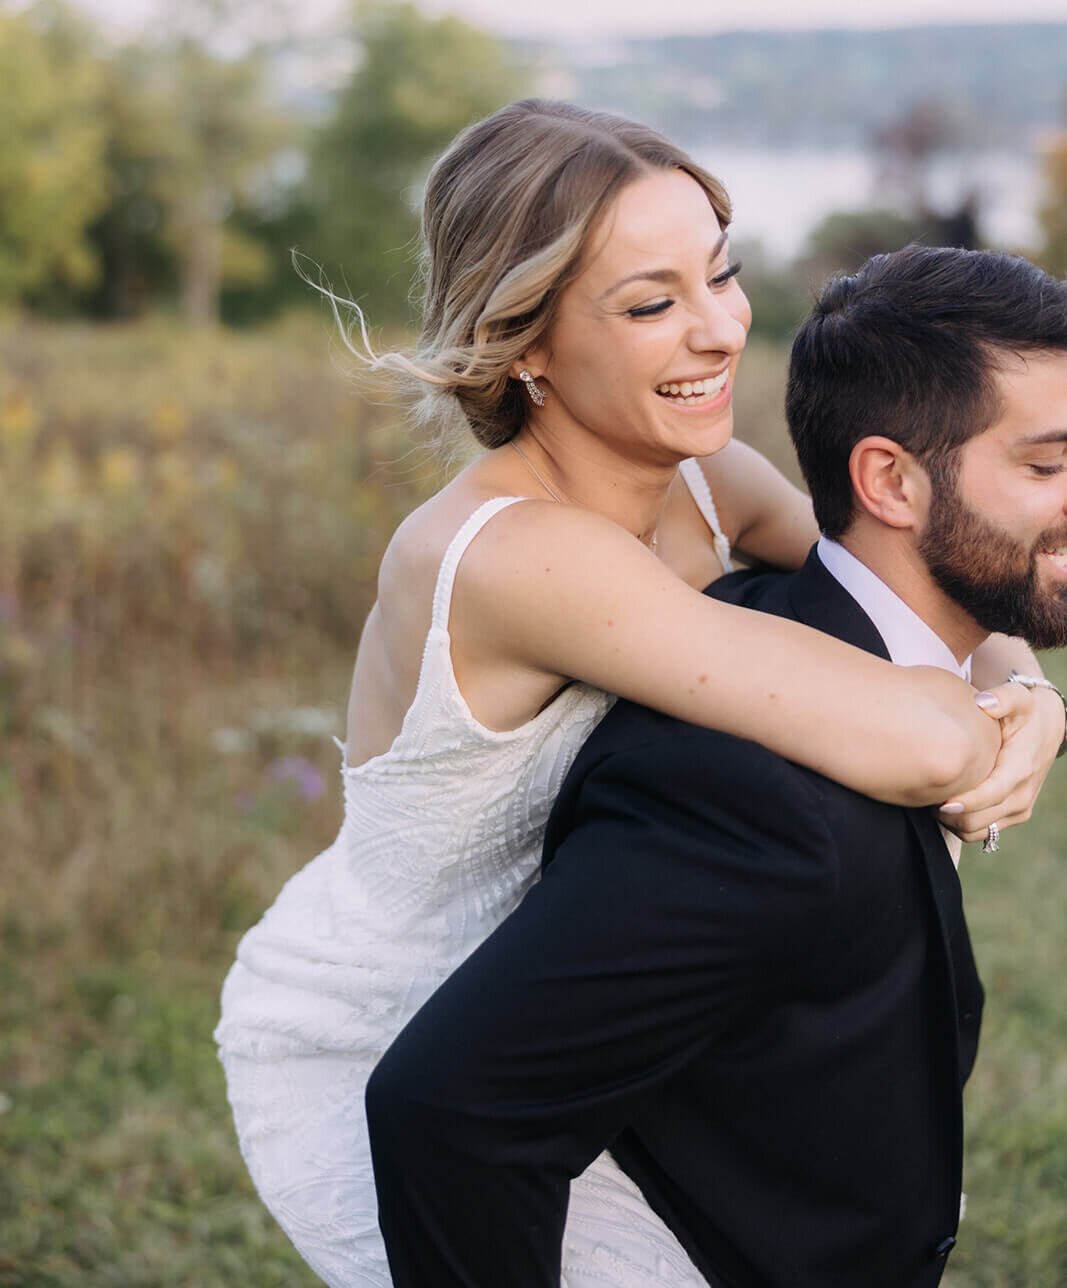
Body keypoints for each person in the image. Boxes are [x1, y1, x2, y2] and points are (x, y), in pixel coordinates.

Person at [215, 103, 1058, 1288]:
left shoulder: (703, 478)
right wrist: (992, 723)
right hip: (399, 1023)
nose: (718, 329)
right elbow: (913, 740)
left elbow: (891, 583)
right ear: (527, 346)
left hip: (586, 989)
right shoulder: (517, 553)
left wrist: (1027, 687)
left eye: (718, 273)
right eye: (651, 303)